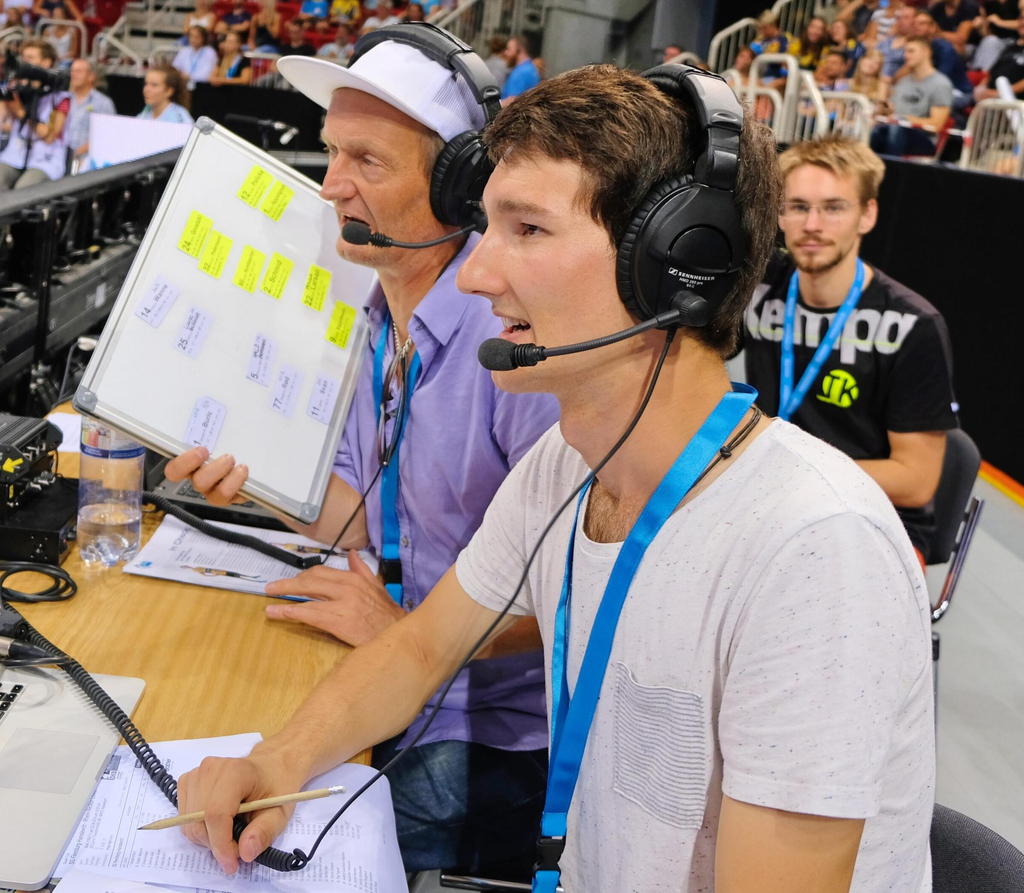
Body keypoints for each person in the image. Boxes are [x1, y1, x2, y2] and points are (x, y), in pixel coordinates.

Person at [174, 62, 935, 893]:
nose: (474, 273)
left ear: (676, 265)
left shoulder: (814, 551)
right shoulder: (567, 465)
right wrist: (275, 761)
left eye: (527, 230)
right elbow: (425, 644)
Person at [164, 24, 559, 876]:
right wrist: (254, 479)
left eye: (367, 162)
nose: (330, 184)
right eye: (330, 152)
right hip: (387, 669)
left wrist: (415, 629)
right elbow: (362, 516)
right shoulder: (379, 318)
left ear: (461, 190)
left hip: (477, 729)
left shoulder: (514, 352)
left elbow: (571, 604)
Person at [744, 136, 956, 567]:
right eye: (798, 206)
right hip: (774, 500)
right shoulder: (759, 290)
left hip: (877, 516)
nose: (813, 225)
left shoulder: (913, 324)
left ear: (868, 214)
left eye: (834, 208)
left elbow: (915, 481)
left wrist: (790, 471)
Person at [0, 38, 70, 189]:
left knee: (23, 189)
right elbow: (3, 121)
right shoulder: (19, 89)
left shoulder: (60, 97)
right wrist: (5, 92)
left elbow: (49, 136)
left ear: (46, 63)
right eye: (23, 58)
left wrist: (20, 112)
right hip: (14, 155)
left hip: (45, 160)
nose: (24, 63)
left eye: (30, 58)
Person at [873, 35, 953, 153]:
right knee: (875, 132)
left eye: (911, 51)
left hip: (923, 138)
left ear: (926, 52)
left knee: (896, 129)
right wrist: (883, 111)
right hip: (894, 130)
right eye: (905, 51)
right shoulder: (903, 82)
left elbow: (936, 125)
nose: (906, 56)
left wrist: (903, 119)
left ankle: (892, 168)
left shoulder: (941, 84)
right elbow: (893, 110)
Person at [909, 10, 974, 101]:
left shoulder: (945, 48)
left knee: (923, 101)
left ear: (933, 27)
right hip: (930, 89)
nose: (917, 27)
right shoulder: (913, 49)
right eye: (914, 24)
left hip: (958, 91)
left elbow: (941, 79)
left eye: (922, 23)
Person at [65, 57, 115, 159]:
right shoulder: (65, 98)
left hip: (86, 160)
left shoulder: (103, 103)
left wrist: (76, 154)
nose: (73, 74)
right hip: (60, 158)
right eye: (72, 71)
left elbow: (106, 135)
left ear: (91, 76)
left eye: (78, 71)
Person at [975, 8, 1024, 96]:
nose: (1022, 22)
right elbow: (992, 72)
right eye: (1021, 18)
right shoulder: (1010, 47)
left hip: (1014, 103)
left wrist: (997, 93)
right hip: (992, 100)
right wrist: (982, 88)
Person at [878, 5, 916, 78]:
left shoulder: (915, 44)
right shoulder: (886, 41)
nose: (901, 20)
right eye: (899, 18)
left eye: (906, 17)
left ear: (915, 21)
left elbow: (909, 69)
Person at [500, 33, 539, 100]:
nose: (505, 53)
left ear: (518, 50)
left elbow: (511, 102)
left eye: (508, 49)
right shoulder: (530, 68)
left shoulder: (520, 73)